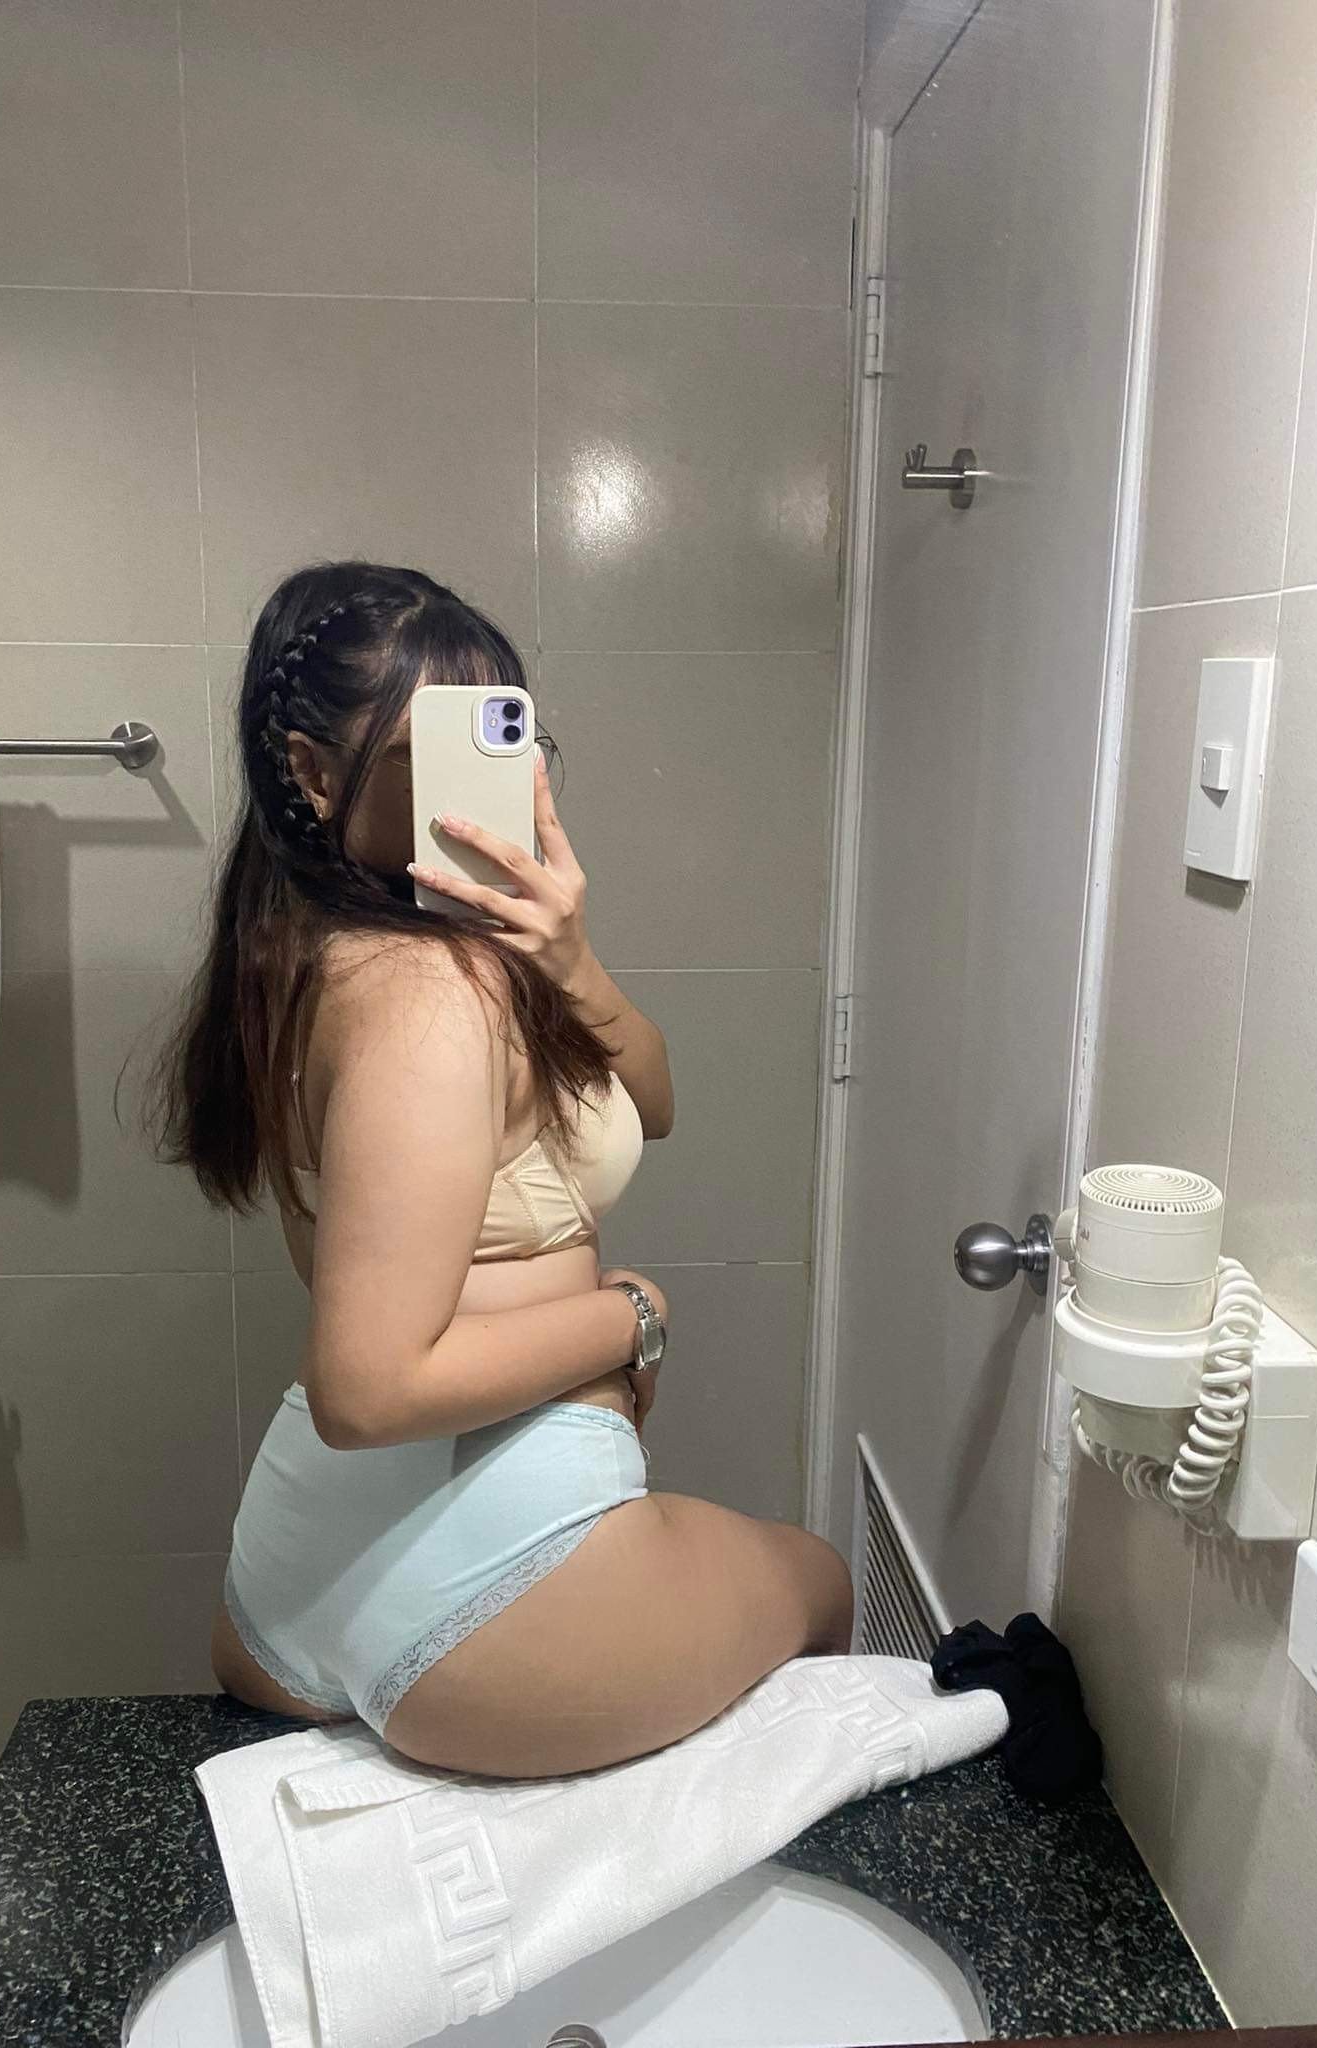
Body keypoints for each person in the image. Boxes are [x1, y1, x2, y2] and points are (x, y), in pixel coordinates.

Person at [147, 559, 853, 1779]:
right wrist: (632, 1314)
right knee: (824, 1584)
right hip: (492, 1586)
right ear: (314, 774)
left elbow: (655, 1101)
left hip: (305, 1558)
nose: (487, 788)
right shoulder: (429, 987)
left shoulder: (310, 952)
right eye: (428, 749)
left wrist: (573, 959)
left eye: (502, 736)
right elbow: (369, 1386)